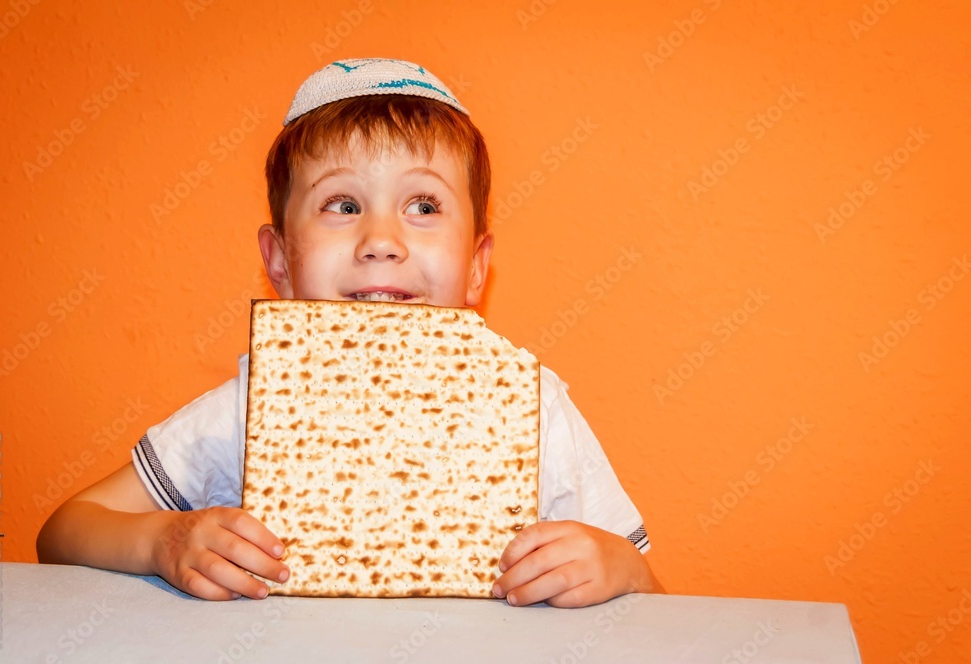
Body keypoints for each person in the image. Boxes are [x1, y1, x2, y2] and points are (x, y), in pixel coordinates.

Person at [37, 58, 662, 607]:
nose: (381, 242)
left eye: (424, 206)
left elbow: (661, 602)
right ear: (279, 260)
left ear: (476, 265)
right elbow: (62, 533)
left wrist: (622, 570)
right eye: (343, 205)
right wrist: (161, 541)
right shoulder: (251, 409)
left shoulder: (534, 407)